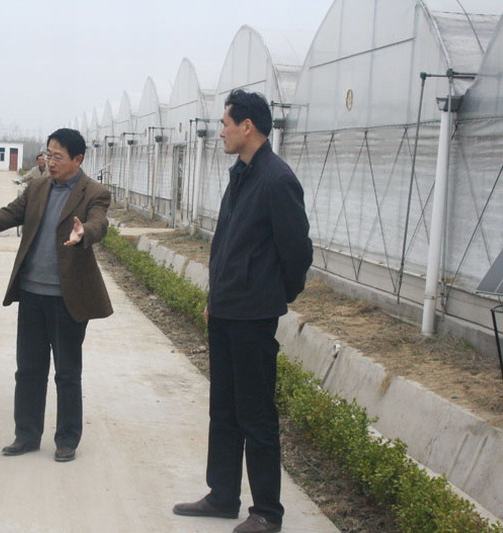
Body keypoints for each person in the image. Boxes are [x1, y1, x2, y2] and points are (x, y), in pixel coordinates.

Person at [173, 90, 312, 533]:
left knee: (256, 414)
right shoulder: (241, 174)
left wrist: (272, 296)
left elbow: (297, 251)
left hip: (253, 316)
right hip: (226, 310)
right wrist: (215, 299)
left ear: (247, 126)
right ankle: (222, 495)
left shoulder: (276, 178)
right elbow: (226, 244)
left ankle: (267, 512)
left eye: (226, 124)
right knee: (224, 409)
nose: (221, 132)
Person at [0, 128, 112, 463]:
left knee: (67, 372)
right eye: (49, 154)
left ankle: (66, 440)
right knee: (29, 370)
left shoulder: (94, 192)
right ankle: (27, 435)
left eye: (58, 157)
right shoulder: (38, 186)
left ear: (78, 159)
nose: (50, 162)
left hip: (67, 298)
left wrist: (85, 232)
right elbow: (7, 215)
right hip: (32, 294)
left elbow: (98, 223)